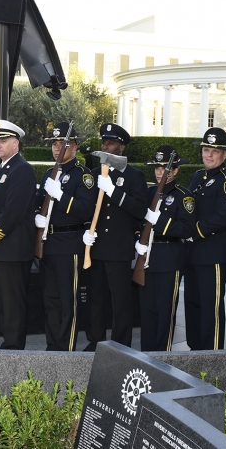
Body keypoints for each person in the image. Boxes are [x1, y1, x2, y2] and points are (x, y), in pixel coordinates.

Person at [81, 123, 147, 350]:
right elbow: (86, 208)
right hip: (96, 247)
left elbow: (140, 210)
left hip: (119, 248)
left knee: (121, 302)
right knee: (95, 299)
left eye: (110, 143)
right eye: (104, 142)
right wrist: (86, 230)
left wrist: (113, 191)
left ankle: (121, 345)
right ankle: (95, 341)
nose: (106, 146)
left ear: (122, 147)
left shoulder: (134, 176)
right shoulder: (93, 174)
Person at [35, 122, 96, 351]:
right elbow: (37, 202)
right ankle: (52, 346)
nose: (57, 148)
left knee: (68, 301)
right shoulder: (49, 174)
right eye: (54, 143)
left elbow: (85, 209)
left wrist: (60, 195)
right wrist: (36, 217)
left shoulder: (83, 175)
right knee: (50, 300)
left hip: (70, 244)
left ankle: (66, 348)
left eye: (63, 144)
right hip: (48, 243)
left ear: (75, 146)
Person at [0, 120, 37, 350]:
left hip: (13, 247)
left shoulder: (21, 169)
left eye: (3, 141)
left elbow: (12, 212)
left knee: (13, 302)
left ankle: (14, 347)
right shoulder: (4, 168)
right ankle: (9, 343)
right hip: (3, 248)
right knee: (5, 301)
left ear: (16, 143)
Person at [183, 127, 226, 350]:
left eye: (215, 151)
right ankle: (195, 349)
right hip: (193, 253)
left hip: (213, 253)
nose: (209, 155)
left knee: (211, 307)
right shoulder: (198, 176)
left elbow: (223, 217)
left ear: (225, 155)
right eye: (206, 150)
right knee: (193, 303)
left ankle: (212, 355)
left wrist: (192, 231)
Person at [136, 145, 195, 352]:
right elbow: (138, 221)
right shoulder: (149, 192)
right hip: (148, 257)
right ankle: (146, 354)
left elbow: (187, 229)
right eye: (157, 168)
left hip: (170, 258)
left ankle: (163, 355)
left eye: (165, 168)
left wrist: (160, 221)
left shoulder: (183, 196)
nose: (160, 172)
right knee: (147, 310)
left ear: (175, 170)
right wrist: (138, 240)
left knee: (165, 312)